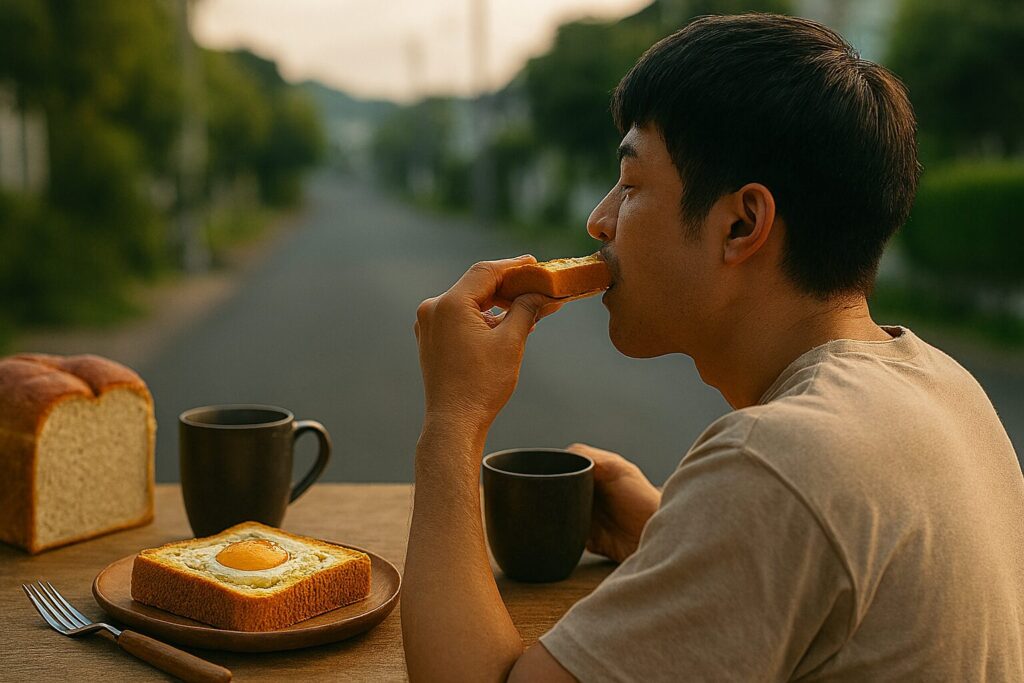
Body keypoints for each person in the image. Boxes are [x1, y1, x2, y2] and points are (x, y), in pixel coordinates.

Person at [403, 13, 1024, 682]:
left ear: (741, 223)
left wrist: (453, 419)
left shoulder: (776, 464)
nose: (599, 219)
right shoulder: (945, 384)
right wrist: (671, 534)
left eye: (633, 184)